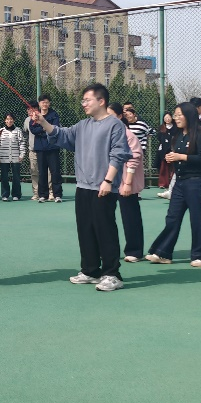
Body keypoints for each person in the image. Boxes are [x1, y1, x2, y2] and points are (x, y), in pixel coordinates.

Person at [32, 84, 131, 292]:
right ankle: (91, 270)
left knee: (105, 229)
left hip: (104, 186)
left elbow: (119, 154)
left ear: (101, 101)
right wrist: (42, 122)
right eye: (83, 100)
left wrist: (108, 180)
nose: (83, 104)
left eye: (87, 100)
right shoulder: (83, 125)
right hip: (83, 186)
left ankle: (112, 274)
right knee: (85, 229)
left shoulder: (115, 125)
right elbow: (62, 135)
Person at [146, 102, 201, 267]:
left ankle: (198, 255)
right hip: (180, 182)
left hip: (195, 182)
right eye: (175, 115)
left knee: (197, 219)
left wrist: (181, 157)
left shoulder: (198, 134)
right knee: (172, 217)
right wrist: (171, 157)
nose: (176, 118)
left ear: (189, 115)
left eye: (179, 115)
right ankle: (163, 253)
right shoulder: (178, 135)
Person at [108, 103, 145, 263]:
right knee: (105, 217)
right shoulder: (106, 133)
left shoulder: (127, 134)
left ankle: (134, 251)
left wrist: (128, 182)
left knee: (130, 216)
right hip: (108, 182)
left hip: (125, 182)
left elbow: (134, 157)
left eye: (110, 115)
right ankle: (109, 250)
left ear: (119, 116)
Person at [30, 95, 63, 203]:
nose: (45, 104)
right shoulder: (35, 115)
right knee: (42, 172)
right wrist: (44, 128)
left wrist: (43, 128)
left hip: (52, 147)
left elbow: (54, 128)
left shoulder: (54, 114)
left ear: (49, 104)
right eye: (43, 102)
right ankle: (43, 195)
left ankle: (57, 195)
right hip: (40, 148)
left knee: (55, 171)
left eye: (47, 102)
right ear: (39, 103)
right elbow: (33, 129)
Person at [0, 113, 25, 201]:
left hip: (16, 157)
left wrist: (22, 154)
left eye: (11, 119)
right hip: (3, 157)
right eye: (7, 119)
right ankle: (5, 194)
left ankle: (16, 194)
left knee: (16, 176)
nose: (9, 121)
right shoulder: (1, 131)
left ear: (14, 120)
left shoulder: (18, 130)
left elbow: (22, 143)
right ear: (5, 120)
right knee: (4, 176)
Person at [155, 112, 175, 192]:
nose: (167, 119)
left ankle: (172, 183)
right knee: (163, 167)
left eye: (169, 117)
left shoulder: (176, 127)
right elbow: (159, 138)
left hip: (173, 149)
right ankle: (163, 183)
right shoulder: (161, 128)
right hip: (163, 150)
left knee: (173, 167)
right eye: (166, 117)